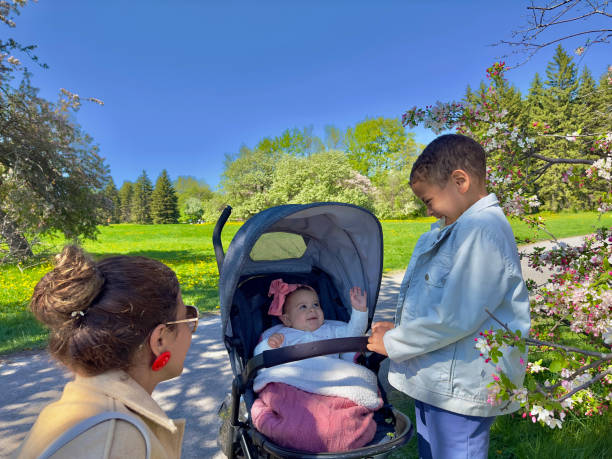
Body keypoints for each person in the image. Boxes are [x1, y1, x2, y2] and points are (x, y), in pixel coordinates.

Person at [367, 134, 530, 459]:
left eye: (429, 200)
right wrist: (396, 329)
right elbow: (436, 300)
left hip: (461, 384)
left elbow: (455, 314)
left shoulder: (482, 231)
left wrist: (396, 343)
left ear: (460, 181)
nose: (429, 211)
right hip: (439, 379)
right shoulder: (459, 229)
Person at [15, 245, 198, 459]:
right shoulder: (120, 442)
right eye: (187, 316)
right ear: (159, 340)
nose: (192, 327)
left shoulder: (72, 410)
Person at [251, 278, 382, 453]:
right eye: (303, 307)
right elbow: (261, 359)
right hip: (292, 383)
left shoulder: (331, 330)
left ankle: (339, 432)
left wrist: (359, 311)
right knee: (293, 412)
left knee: (336, 417)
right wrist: (269, 346)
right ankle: (306, 433)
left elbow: (353, 336)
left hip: (331, 384)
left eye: (316, 304)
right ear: (286, 319)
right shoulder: (281, 335)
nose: (312, 309)